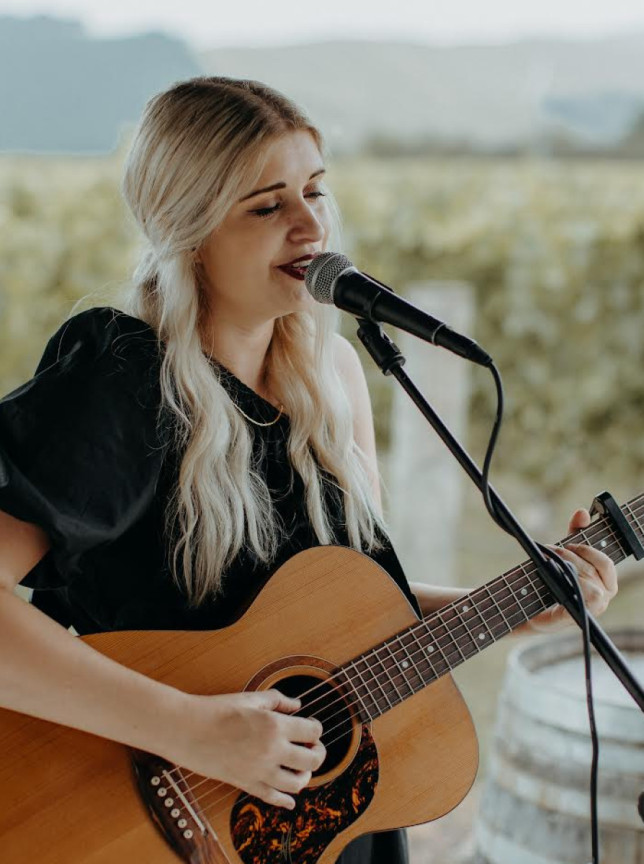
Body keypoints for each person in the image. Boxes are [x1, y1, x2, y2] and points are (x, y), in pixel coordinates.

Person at [0, 76, 618, 864]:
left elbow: (338, 618)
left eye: (316, 191)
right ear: (188, 230)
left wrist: (510, 606)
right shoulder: (123, 382)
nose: (311, 225)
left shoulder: (335, 381)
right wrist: (193, 731)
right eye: (268, 206)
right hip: (142, 821)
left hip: (322, 826)